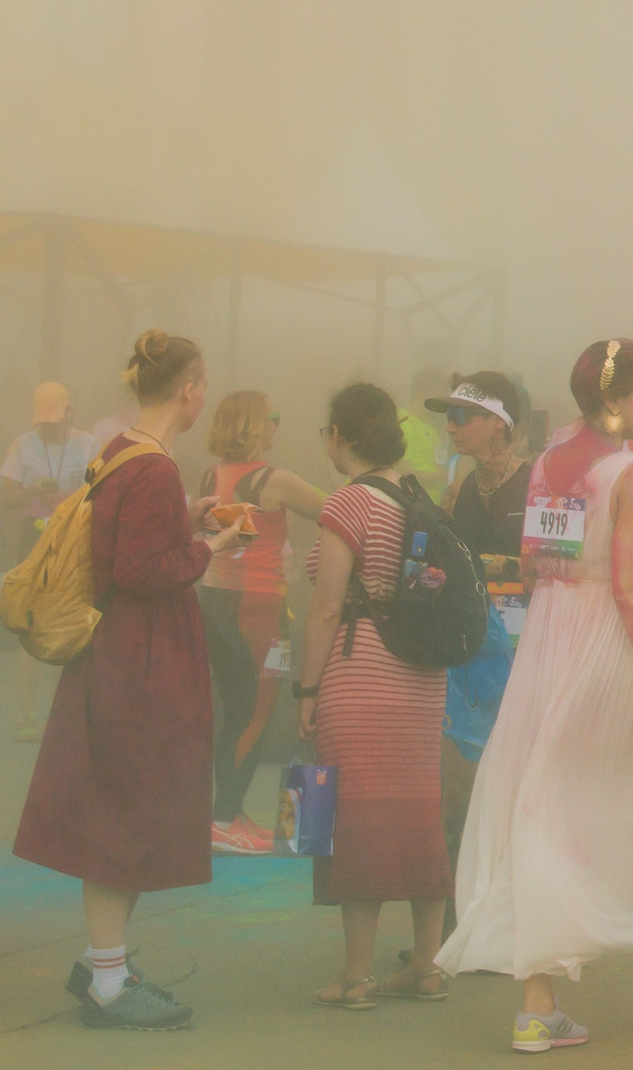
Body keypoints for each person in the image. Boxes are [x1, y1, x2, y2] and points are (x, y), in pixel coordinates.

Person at [437, 339, 633, 1053]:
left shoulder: (549, 463)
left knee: (547, 804)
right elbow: (629, 587)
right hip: (607, 642)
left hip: (549, 637)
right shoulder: (631, 471)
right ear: (613, 399)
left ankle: (540, 1004)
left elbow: (535, 561)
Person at [13, 330, 244, 1030]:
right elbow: (142, 571)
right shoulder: (157, 469)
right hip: (143, 659)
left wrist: (186, 521)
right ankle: (109, 980)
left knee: (119, 802)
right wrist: (210, 546)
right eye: (203, 385)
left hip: (112, 653)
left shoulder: (117, 452)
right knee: (129, 810)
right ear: (190, 388)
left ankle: (104, 961)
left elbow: (121, 546)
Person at [291, 383, 455, 1009]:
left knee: (349, 816)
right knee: (419, 812)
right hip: (420, 678)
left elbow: (327, 604)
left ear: (340, 437)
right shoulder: (418, 499)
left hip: (358, 674)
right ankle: (427, 966)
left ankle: (356, 977)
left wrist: (307, 690)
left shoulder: (349, 503)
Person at [198, 390, 325, 856]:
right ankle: (224, 816)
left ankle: (227, 813)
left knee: (236, 707)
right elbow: (333, 508)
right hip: (259, 607)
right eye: (273, 417)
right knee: (256, 710)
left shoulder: (210, 474)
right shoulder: (276, 480)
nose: (277, 426)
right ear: (256, 426)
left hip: (216, 598)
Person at [429, 373, 532, 895]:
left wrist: (504, 564)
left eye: (462, 416)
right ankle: (467, 903)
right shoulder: (461, 487)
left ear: (500, 425)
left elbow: (565, 560)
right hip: (476, 649)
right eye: (447, 416)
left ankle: (512, 894)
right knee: (466, 775)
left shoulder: (537, 481)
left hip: (531, 643)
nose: (451, 426)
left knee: (518, 769)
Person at [1, 380, 100, 739]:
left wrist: (76, 496)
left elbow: (101, 490)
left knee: (74, 617)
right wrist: (32, 489)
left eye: (55, 418)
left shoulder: (88, 443)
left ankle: (69, 718)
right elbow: (6, 501)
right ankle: (26, 714)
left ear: (69, 412)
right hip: (35, 534)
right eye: (43, 419)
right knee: (31, 621)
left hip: (74, 531)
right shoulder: (23, 445)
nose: (49, 424)